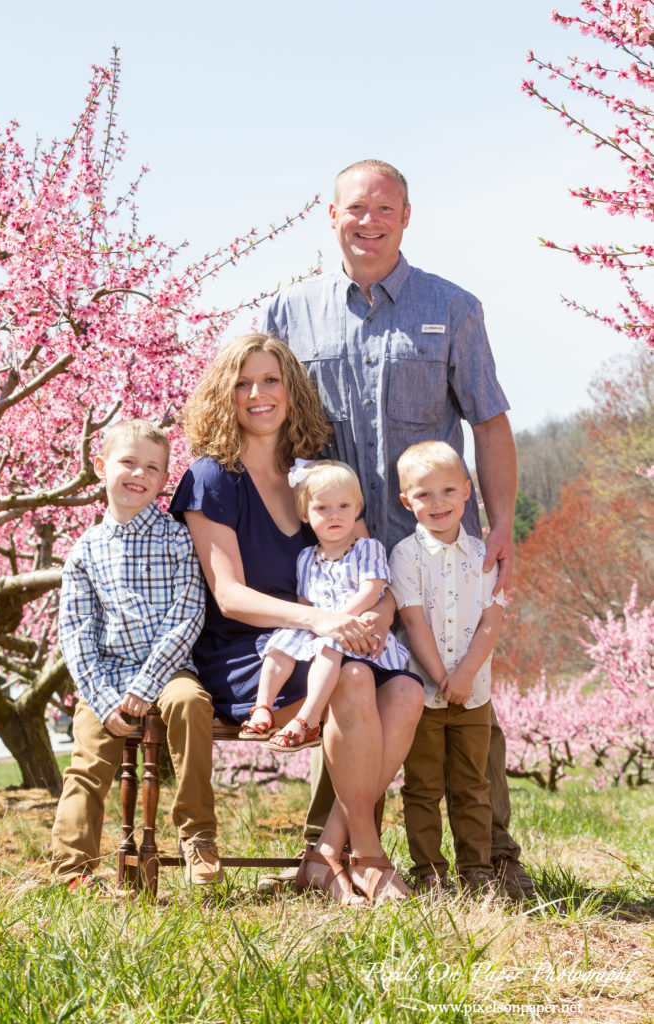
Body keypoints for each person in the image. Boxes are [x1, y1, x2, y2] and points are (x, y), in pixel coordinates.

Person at [262, 158, 534, 899]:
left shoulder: (452, 306)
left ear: (405, 218)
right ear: (332, 214)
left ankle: (489, 858)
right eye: (356, 208)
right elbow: (264, 424)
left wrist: (502, 523)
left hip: (434, 545)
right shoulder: (289, 313)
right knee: (348, 686)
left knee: (458, 691)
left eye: (385, 209)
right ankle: (343, 857)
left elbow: (488, 418)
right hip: (336, 554)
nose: (369, 221)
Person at [169, 334, 424, 904]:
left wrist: (379, 615)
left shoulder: (316, 476)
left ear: (291, 391)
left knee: (407, 692)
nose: (257, 395)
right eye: (242, 383)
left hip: (335, 640)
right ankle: (370, 856)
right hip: (253, 655)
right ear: (222, 395)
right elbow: (231, 596)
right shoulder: (211, 477)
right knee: (356, 680)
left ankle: (325, 854)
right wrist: (321, 622)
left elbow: (369, 568)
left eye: (271, 381)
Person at [52, 419, 220, 889]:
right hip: (107, 678)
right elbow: (76, 633)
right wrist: (106, 700)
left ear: (165, 479)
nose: (138, 474)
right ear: (101, 466)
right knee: (87, 761)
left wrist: (146, 687)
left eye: (152, 467)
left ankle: (197, 835)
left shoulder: (176, 538)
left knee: (191, 704)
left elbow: (187, 615)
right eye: (127, 462)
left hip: (169, 671)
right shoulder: (84, 550)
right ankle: (72, 870)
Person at [238, 459, 418, 752]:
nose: (334, 515)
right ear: (305, 514)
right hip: (319, 626)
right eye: (323, 508)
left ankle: (306, 721)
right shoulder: (306, 557)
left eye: (344, 507)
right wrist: (311, 623)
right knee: (280, 643)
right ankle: (262, 708)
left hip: (355, 627)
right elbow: (305, 602)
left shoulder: (367, 548)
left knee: (328, 646)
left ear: (357, 509)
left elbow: (372, 590)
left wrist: (337, 621)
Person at [389, 441, 505, 893]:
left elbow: (491, 623)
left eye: (447, 491)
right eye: (424, 495)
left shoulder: (484, 555)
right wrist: (441, 678)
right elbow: (414, 622)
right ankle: (428, 871)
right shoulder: (405, 556)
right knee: (422, 785)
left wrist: (464, 676)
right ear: (406, 502)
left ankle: (475, 868)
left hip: (474, 693)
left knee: (473, 784)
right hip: (424, 693)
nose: (437, 503)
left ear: (467, 493)